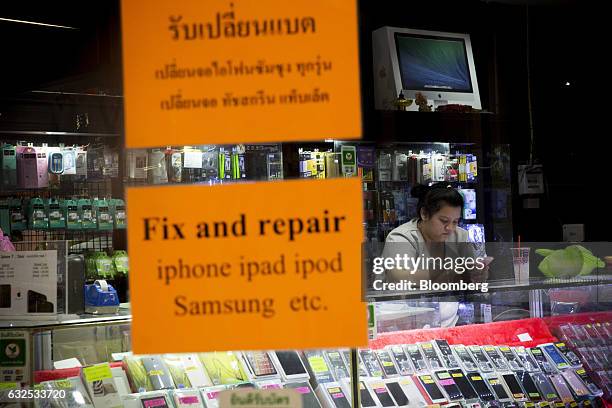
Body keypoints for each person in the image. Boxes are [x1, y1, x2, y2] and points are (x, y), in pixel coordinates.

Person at [382, 182, 489, 327]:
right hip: (405, 325)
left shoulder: (460, 237)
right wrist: (450, 271)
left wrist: (478, 274)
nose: (450, 228)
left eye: (455, 222)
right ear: (424, 214)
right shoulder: (401, 237)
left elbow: (470, 278)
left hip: (448, 324)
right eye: (444, 221)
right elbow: (399, 276)